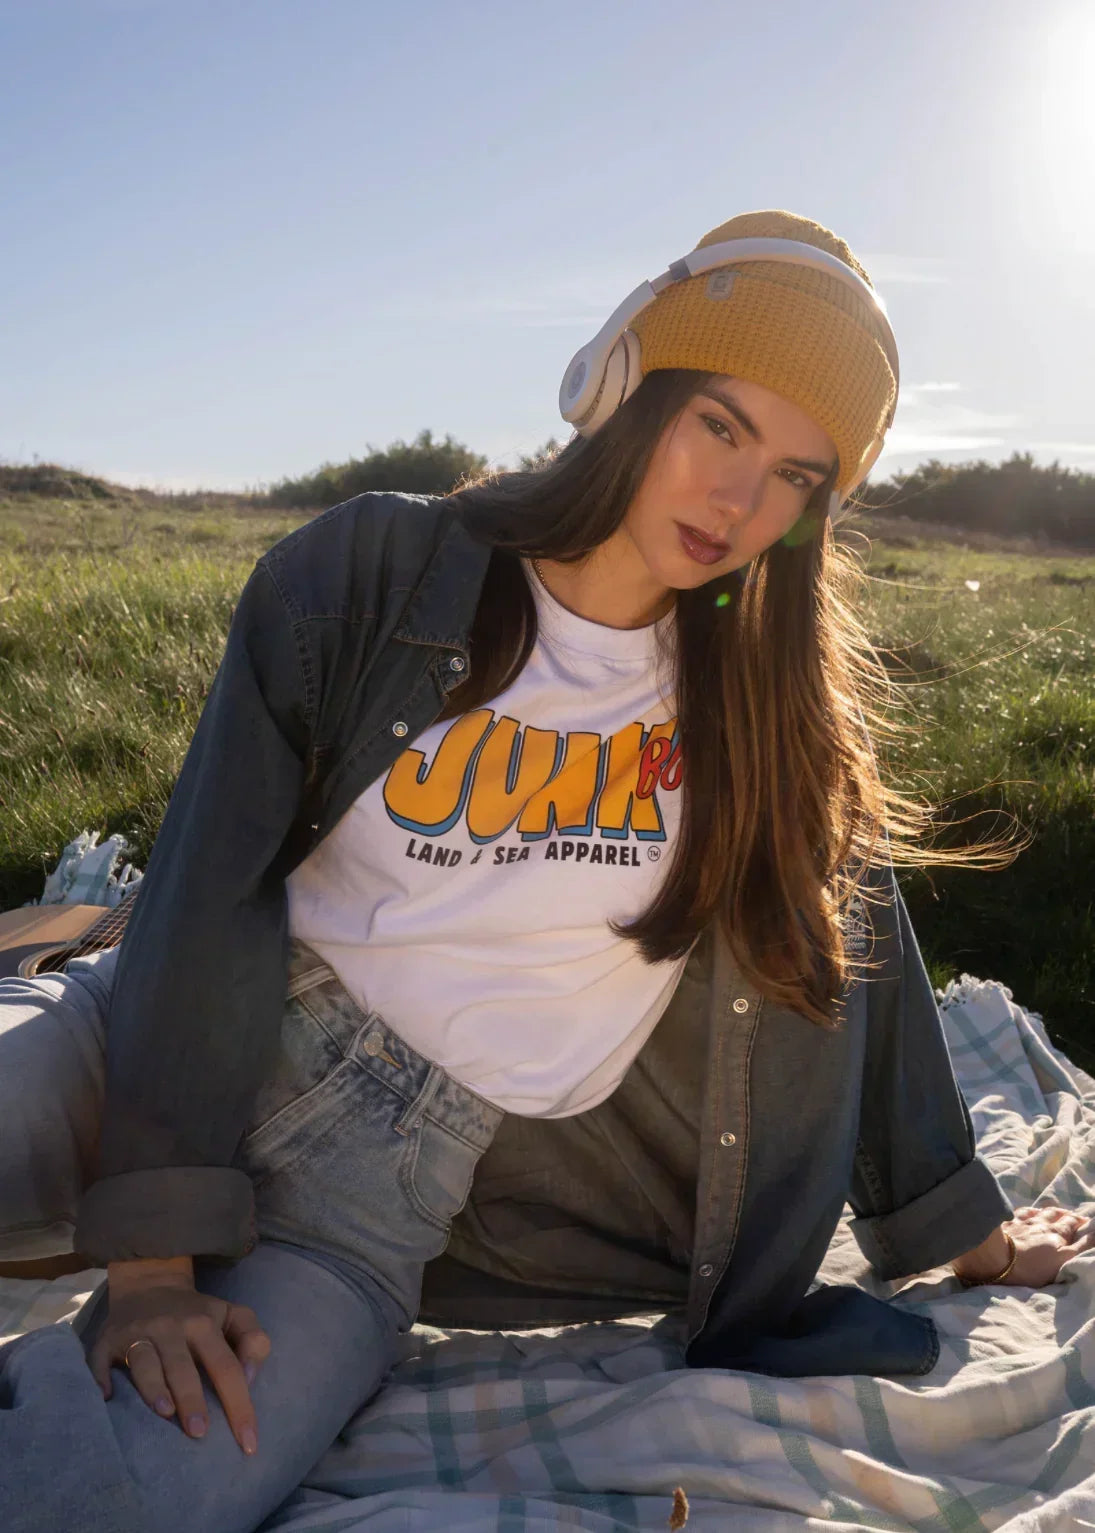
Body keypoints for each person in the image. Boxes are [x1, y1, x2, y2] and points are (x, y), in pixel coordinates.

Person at [1, 208, 1091, 1533]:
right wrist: (151, 1265)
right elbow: (206, 884)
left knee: (136, 1501)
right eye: (721, 426)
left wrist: (969, 1230)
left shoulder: (763, 715)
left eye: (797, 475)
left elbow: (855, 949)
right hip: (165, 1034)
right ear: (626, 386)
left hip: (370, 1196)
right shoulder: (370, 573)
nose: (740, 500)